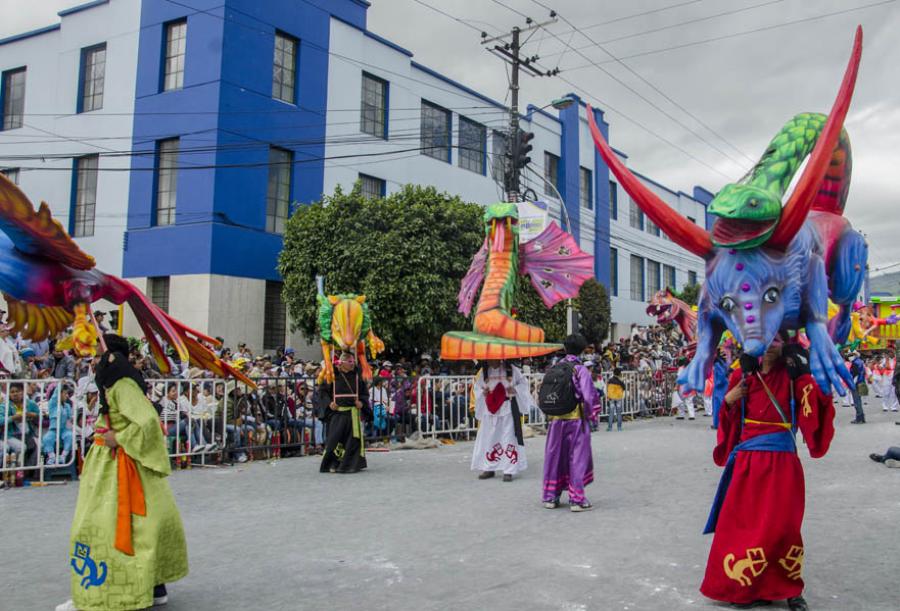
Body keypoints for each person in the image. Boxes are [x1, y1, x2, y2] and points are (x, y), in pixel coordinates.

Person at [700, 337, 834, 610]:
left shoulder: (794, 376)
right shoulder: (742, 375)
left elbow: (816, 410)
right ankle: (746, 587)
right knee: (741, 525)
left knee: (784, 526)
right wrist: (728, 399)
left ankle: (790, 588)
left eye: (777, 338)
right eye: (765, 338)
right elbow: (727, 419)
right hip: (747, 463)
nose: (771, 343)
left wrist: (808, 374)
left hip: (783, 462)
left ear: (786, 343)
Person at [56, 334, 187, 611]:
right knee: (143, 524)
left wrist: (121, 436)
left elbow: (148, 422)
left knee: (100, 526)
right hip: (112, 461)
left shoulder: (122, 383)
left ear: (110, 356)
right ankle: (154, 585)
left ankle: (101, 594)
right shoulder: (114, 381)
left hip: (121, 462)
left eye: (95, 354)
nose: (91, 360)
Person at [541, 334, 600, 511]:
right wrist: (593, 416)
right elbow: (589, 397)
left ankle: (550, 496)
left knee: (554, 457)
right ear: (582, 350)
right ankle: (577, 499)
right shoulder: (579, 369)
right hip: (575, 420)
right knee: (577, 459)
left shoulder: (555, 366)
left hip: (555, 421)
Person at [471, 359, 532, 482]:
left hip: (507, 407)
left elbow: (523, 384)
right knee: (488, 437)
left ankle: (508, 469)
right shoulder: (484, 372)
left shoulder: (511, 369)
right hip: (490, 409)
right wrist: (483, 392)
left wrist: (514, 390)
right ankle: (488, 467)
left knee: (508, 437)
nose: (491, 360)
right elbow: (477, 388)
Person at [319, 351, 370, 474]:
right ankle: (331, 463)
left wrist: (361, 403)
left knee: (352, 440)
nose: (352, 364)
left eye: (353, 361)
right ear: (341, 363)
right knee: (334, 440)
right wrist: (330, 403)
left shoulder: (357, 376)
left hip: (352, 413)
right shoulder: (332, 376)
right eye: (349, 362)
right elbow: (323, 392)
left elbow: (364, 394)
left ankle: (349, 465)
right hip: (338, 413)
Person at [848, 351, 867, 424]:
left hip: (856, 383)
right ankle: (862, 417)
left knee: (856, 401)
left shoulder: (855, 363)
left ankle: (859, 418)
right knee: (859, 401)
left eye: (851, 355)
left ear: (855, 355)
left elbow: (855, 375)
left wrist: (852, 384)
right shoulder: (860, 362)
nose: (849, 357)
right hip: (861, 382)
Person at [606, 368, 626, 432]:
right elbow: (624, 388)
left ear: (613, 373)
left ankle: (610, 427)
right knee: (619, 413)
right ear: (620, 374)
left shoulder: (610, 380)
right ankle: (619, 427)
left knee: (611, 413)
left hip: (611, 397)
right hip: (618, 397)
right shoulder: (620, 381)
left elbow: (607, 388)